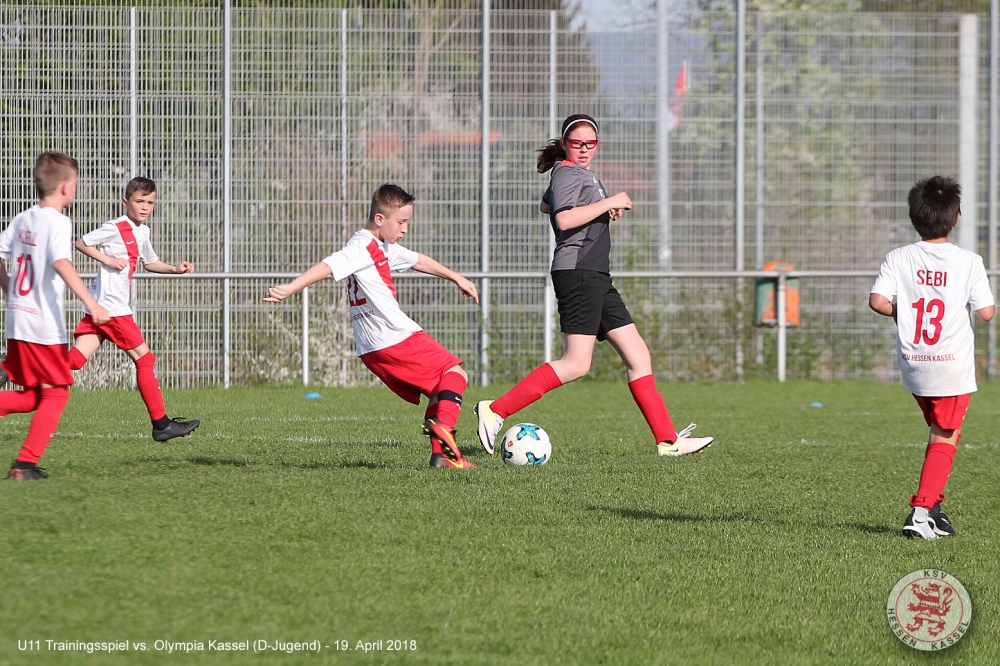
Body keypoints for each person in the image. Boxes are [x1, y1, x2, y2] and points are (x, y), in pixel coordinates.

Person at [475, 114, 713, 457]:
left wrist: (598, 210)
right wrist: (609, 202)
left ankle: (667, 440)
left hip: (596, 275)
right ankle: (495, 410)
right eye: (577, 143)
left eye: (591, 143)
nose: (584, 149)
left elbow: (546, 205)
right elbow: (562, 218)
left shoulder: (572, 172)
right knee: (576, 363)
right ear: (565, 143)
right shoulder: (568, 171)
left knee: (638, 355)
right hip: (579, 273)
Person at [264, 183, 480, 469]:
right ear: (380, 218)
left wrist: (457, 278)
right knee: (455, 373)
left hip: (372, 347)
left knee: (440, 391)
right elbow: (329, 265)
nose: (405, 229)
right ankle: (445, 428)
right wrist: (291, 288)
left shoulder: (383, 246)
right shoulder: (362, 246)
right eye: (401, 222)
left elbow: (418, 260)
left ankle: (441, 457)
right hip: (394, 336)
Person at [870, 176, 994, 540]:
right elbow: (986, 313)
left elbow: (877, 301)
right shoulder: (968, 261)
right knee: (945, 436)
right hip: (951, 364)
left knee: (942, 432)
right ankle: (921, 512)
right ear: (957, 217)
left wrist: (901, 312)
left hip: (914, 364)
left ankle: (935, 509)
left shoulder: (898, 257)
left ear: (914, 217)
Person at [0, 152, 110, 480]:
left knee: (36, 396)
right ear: (65, 186)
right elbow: (61, 262)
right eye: (75, 183)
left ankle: (24, 463)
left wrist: (9, 290)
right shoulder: (59, 222)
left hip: (17, 321)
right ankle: (24, 465)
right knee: (57, 393)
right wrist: (91, 303)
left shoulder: (23, 218)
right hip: (42, 325)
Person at [68, 177, 200, 442]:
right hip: (113, 309)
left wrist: (175, 269)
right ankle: (161, 424)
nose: (145, 207)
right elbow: (82, 243)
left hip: (101, 307)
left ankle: (12, 365)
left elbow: (150, 263)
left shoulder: (143, 232)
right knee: (145, 359)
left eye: (150, 202)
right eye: (139, 201)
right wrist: (108, 259)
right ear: (125, 202)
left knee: (75, 360)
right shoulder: (115, 226)